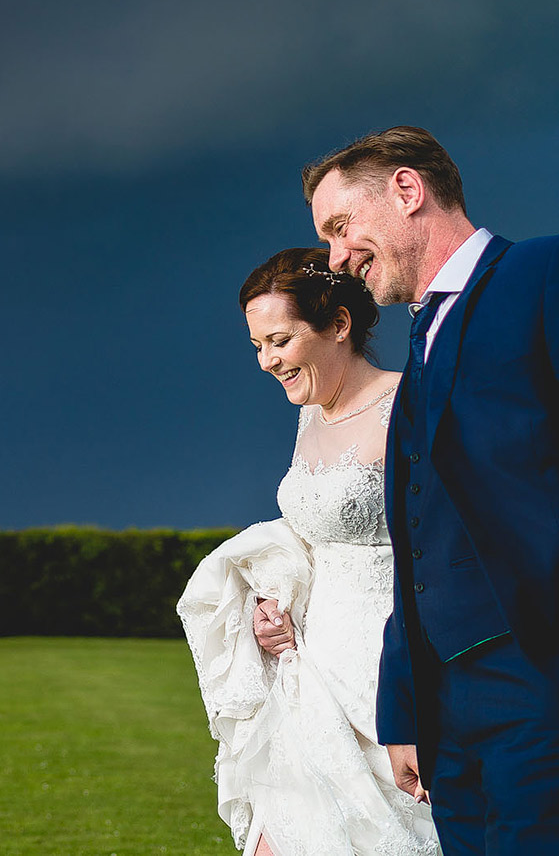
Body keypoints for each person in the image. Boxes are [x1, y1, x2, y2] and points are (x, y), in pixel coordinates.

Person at [304, 126, 559, 854]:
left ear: (408, 191)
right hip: (452, 718)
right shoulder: (420, 344)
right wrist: (406, 708)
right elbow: (419, 541)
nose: (335, 256)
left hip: (557, 687)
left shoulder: (555, 271)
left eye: (340, 225)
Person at [179, 247, 441, 855]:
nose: (267, 361)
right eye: (257, 347)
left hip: (393, 667)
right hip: (312, 670)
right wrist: (276, 605)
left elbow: (442, 544)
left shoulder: (411, 406)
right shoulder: (309, 419)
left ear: (339, 326)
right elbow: (315, 540)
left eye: (279, 340)